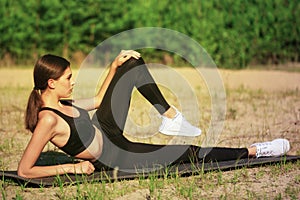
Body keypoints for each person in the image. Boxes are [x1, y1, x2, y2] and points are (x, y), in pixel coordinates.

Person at [17, 51, 290, 178]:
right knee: (186, 153)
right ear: (51, 83)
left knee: (132, 63)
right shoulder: (48, 119)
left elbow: (100, 100)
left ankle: (169, 116)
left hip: (106, 128)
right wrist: (73, 167)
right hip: (112, 155)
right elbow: (24, 169)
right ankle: (255, 150)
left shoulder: (65, 100)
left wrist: (114, 66)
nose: (72, 81)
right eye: (68, 78)